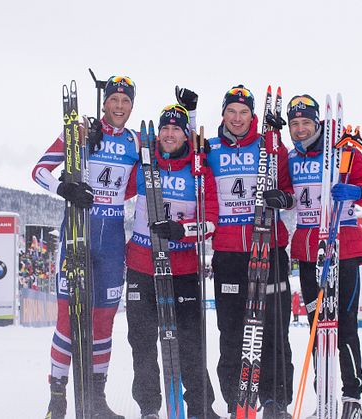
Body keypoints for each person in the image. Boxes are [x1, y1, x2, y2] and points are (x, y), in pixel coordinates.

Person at [32, 75, 139, 419]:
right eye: (114, 100)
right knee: (67, 321)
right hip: (78, 233)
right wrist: (64, 189)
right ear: (105, 103)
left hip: (111, 244)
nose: (119, 106)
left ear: (131, 106)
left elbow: (141, 185)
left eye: (125, 101)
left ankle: (95, 398)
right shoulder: (80, 133)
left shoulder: (136, 142)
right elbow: (38, 171)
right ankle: (57, 398)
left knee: (103, 322)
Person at [286, 94, 362, 419]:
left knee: (343, 326)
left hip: (344, 248)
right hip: (308, 253)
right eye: (294, 123)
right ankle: (324, 398)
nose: (300, 129)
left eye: (305, 122)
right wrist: (280, 199)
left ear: (317, 123)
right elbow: (288, 197)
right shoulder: (290, 158)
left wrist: (356, 191)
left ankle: (352, 397)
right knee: (319, 328)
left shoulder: (345, 152)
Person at [124, 100, 221, 419]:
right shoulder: (143, 164)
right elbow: (109, 188)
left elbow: (211, 221)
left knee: (190, 342)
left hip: (182, 267)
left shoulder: (198, 169)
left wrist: (182, 230)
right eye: (164, 128)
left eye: (175, 129)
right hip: (141, 264)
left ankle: (200, 408)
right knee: (142, 341)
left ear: (185, 133)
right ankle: (149, 407)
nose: (168, 134)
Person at [205, 85, 295, 418]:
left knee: (273, 329)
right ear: (224, 114)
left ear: (253, 116)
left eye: (244, 112)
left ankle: (275, 401)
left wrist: (281, 199)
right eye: (232, 111)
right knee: (231, 331)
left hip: (269, 248)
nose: (238, 118)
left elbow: (289, 191)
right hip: (228, 253)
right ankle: (236, 402)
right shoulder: (210, 149)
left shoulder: (271, 147)